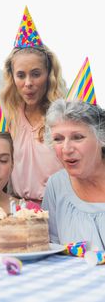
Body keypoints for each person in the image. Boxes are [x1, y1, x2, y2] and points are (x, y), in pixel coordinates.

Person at [1, 45, 67, 203]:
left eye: (36, 74)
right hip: (20, 212)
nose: (28, 83)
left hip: (60, 208)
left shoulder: (64, 117)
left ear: (49, 75)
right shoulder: (8, 118)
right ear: (12, 78)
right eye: (21, 75)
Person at [42, 98, 105, 250]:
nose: (66, 149)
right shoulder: (56, 185)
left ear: (101, 137)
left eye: (78, 137)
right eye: (58, 139)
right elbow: (52, 249)